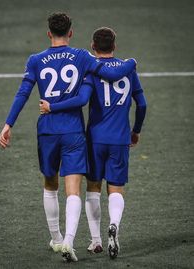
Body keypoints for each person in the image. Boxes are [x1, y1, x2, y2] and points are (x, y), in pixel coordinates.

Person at [0, 13, 136, 262]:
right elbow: (111, 74)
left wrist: (8, 124)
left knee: (50, 185)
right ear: (71, 33)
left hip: (48, 131)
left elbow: (22, 93)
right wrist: (131, 63)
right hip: (73, 130)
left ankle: (57, 238)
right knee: (73, 190)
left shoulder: (36, 59)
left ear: (48, 33)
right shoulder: (82, 56)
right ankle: (70, 241)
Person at [40, 27, 147, 259]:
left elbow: (83, 99)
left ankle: (96, 241)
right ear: (114, 46)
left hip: (95, 139)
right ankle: (114, 225)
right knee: (116, 188)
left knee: (93, 188)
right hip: (120, 138)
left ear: (92, 46)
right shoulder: (128, 70)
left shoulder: (91, 71)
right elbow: (143, 104)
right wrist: (135, 131)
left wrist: (53, 106)